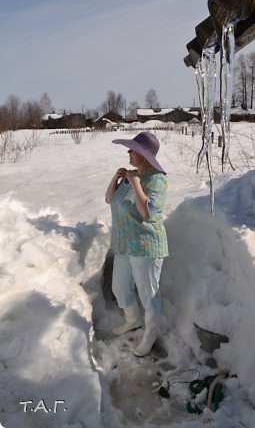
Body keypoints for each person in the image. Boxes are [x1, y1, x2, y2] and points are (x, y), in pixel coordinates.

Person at [105, 131, 169, 357]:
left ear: (144, 154)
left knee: (148, 293)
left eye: (133, 149)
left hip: (145, 246)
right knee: (120, 288)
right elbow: (109, 199)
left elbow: (147, 212)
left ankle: (150, 333)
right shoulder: (130, 176)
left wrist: (135, 183)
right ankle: (132, 321)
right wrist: (118, 178)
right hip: (124, 244)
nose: (129, 152)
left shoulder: (157, 180)